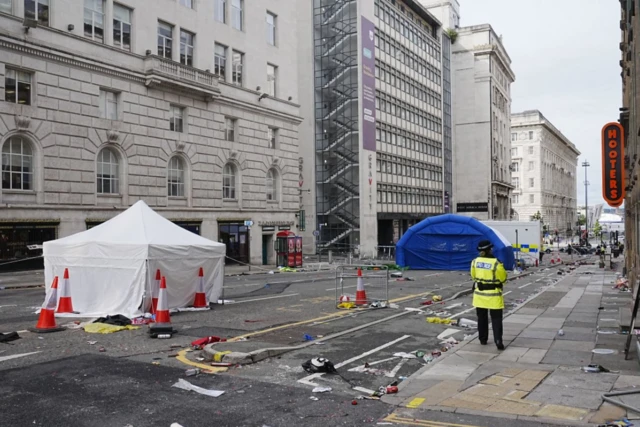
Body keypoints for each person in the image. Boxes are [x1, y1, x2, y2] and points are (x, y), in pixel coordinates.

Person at [470, 240, 507, 350]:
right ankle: (498, 340)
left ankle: (483, 339)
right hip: (493, 295)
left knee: (482, 318)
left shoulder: (475, 262)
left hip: (479, 295)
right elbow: (503, 278)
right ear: (490, 249)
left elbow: (473, 276)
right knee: (496, 319)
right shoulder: (496, 263)